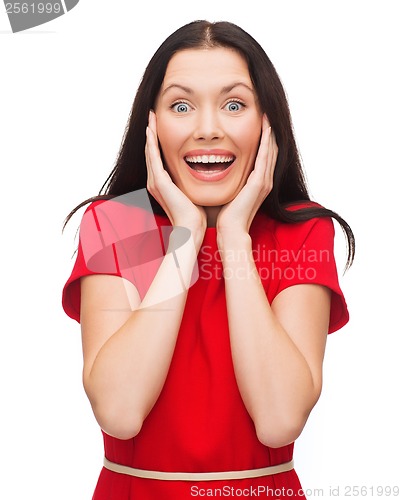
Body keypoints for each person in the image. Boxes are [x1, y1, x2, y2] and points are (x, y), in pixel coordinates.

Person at [62, 20, 354, 499]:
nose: (207, 129)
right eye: (181, 105)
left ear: (266, 122)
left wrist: (235, 237)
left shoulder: (300, 231)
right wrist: (187, 235)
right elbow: (119, 409)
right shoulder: (121, 222)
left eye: (234, 105)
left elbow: (280, 420)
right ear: (152, 123)